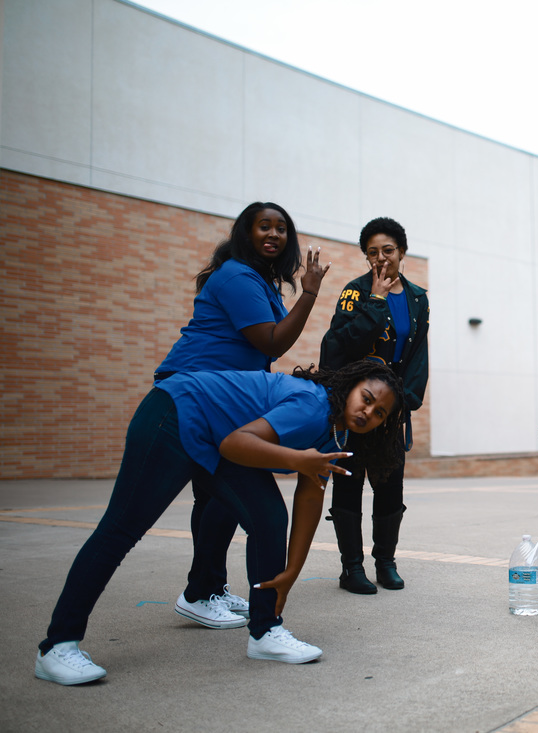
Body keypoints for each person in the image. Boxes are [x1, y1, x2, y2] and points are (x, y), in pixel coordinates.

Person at [34, 361, 406, 686]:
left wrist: (292, 571)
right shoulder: (313, 405)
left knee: (269, 517)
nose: (368, 412)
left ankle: (266, 631)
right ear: (350, 385)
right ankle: (57, 647)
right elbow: (235, 443)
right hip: (176, 414)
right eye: (367, 398)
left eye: (379, 415)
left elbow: (309, 499)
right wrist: (296, 459)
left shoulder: (335, 433)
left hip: (215, 435)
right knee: (121, 530)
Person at [154, 202, 330, 630]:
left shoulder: (261, 282)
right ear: (244, 233)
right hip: (194, 391)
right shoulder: (235, 274)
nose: (273, 234)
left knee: (218, 496)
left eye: (281, 228)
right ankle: (201, 591)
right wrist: (308, 293)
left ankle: (206, 588)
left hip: (221, 398)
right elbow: (271, 342)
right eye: (263, 226)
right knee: (218, 496)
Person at [319, 217, 429, 595]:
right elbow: (340, 344)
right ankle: (352, 568)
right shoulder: (355, 292)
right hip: (356, 406)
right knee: (348, 484)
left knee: (390, 487)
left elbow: (417, 354)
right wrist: (377, 301)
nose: (381, 259)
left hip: (389, 410)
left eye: (388, 251)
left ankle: (386, 562)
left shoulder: (418, 298)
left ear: (402, 252)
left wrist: (406, 400)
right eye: (372, 253)